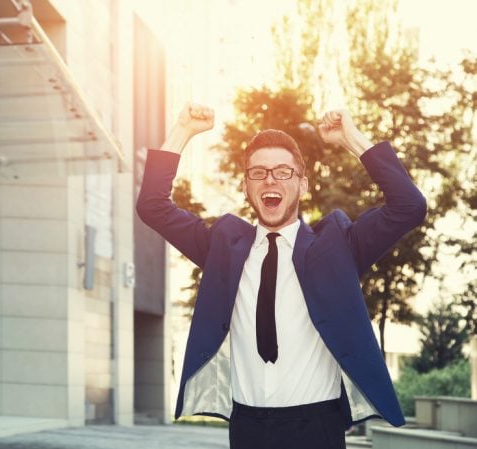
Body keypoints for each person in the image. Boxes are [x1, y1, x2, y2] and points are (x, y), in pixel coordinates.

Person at [136, 103, 427, 449]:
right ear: (246, 186)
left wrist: (350, 137)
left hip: (316, 428)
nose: (270, 179)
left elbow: (409, 205)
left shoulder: (337, 246)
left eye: (282, 172)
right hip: (247, 427)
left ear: (302, 184)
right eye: (258, 173)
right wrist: (182, 131)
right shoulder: (223, 247)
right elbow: (152, 205)